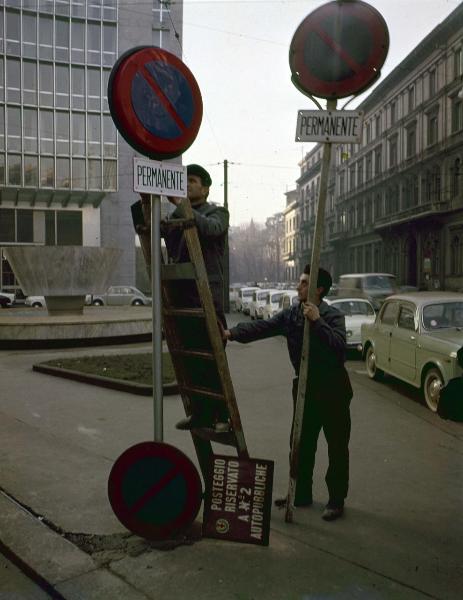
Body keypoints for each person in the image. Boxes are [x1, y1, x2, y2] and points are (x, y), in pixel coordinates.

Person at [222, 266, 353, 521]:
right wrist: (232, 333)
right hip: (305, 390)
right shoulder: (293, 314)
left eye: (303, 283)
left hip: (334, 391)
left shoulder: (333, 316)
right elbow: (263, 327)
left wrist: (318, 321)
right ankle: (301, 493)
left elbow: (340, 349)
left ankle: (336, 500)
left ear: (318, 288)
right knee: (301, 446)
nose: (298, 287)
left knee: (337, 447)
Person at [141, 163, 230, 433]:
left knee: (212, 359)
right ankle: (201, 414)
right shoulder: (180, 213)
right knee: (191, 360)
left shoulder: (218, 212)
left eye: (192, 181)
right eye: (185, 181)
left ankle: (223, 417)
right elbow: (159, 231)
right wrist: (147, 202)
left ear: (205, 187)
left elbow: (212, 229)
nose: (188, 185)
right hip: (182, 298)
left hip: (206, 298)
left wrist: (180, 204)